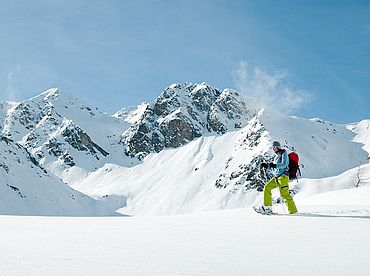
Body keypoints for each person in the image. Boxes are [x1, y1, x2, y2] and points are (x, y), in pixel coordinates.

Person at [257, 141, 298, 214]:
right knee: (267, 187)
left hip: (283, 177)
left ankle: (293, 211)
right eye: (273, 148)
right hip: (276, 177)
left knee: (285, 195)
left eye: (274, 147)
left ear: (277, 147)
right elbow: (275, 168)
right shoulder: (276, 156)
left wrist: (275, 165)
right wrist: (267, 166)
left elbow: (284, 164)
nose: (273, 149)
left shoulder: (283, 153)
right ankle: (267, 208)